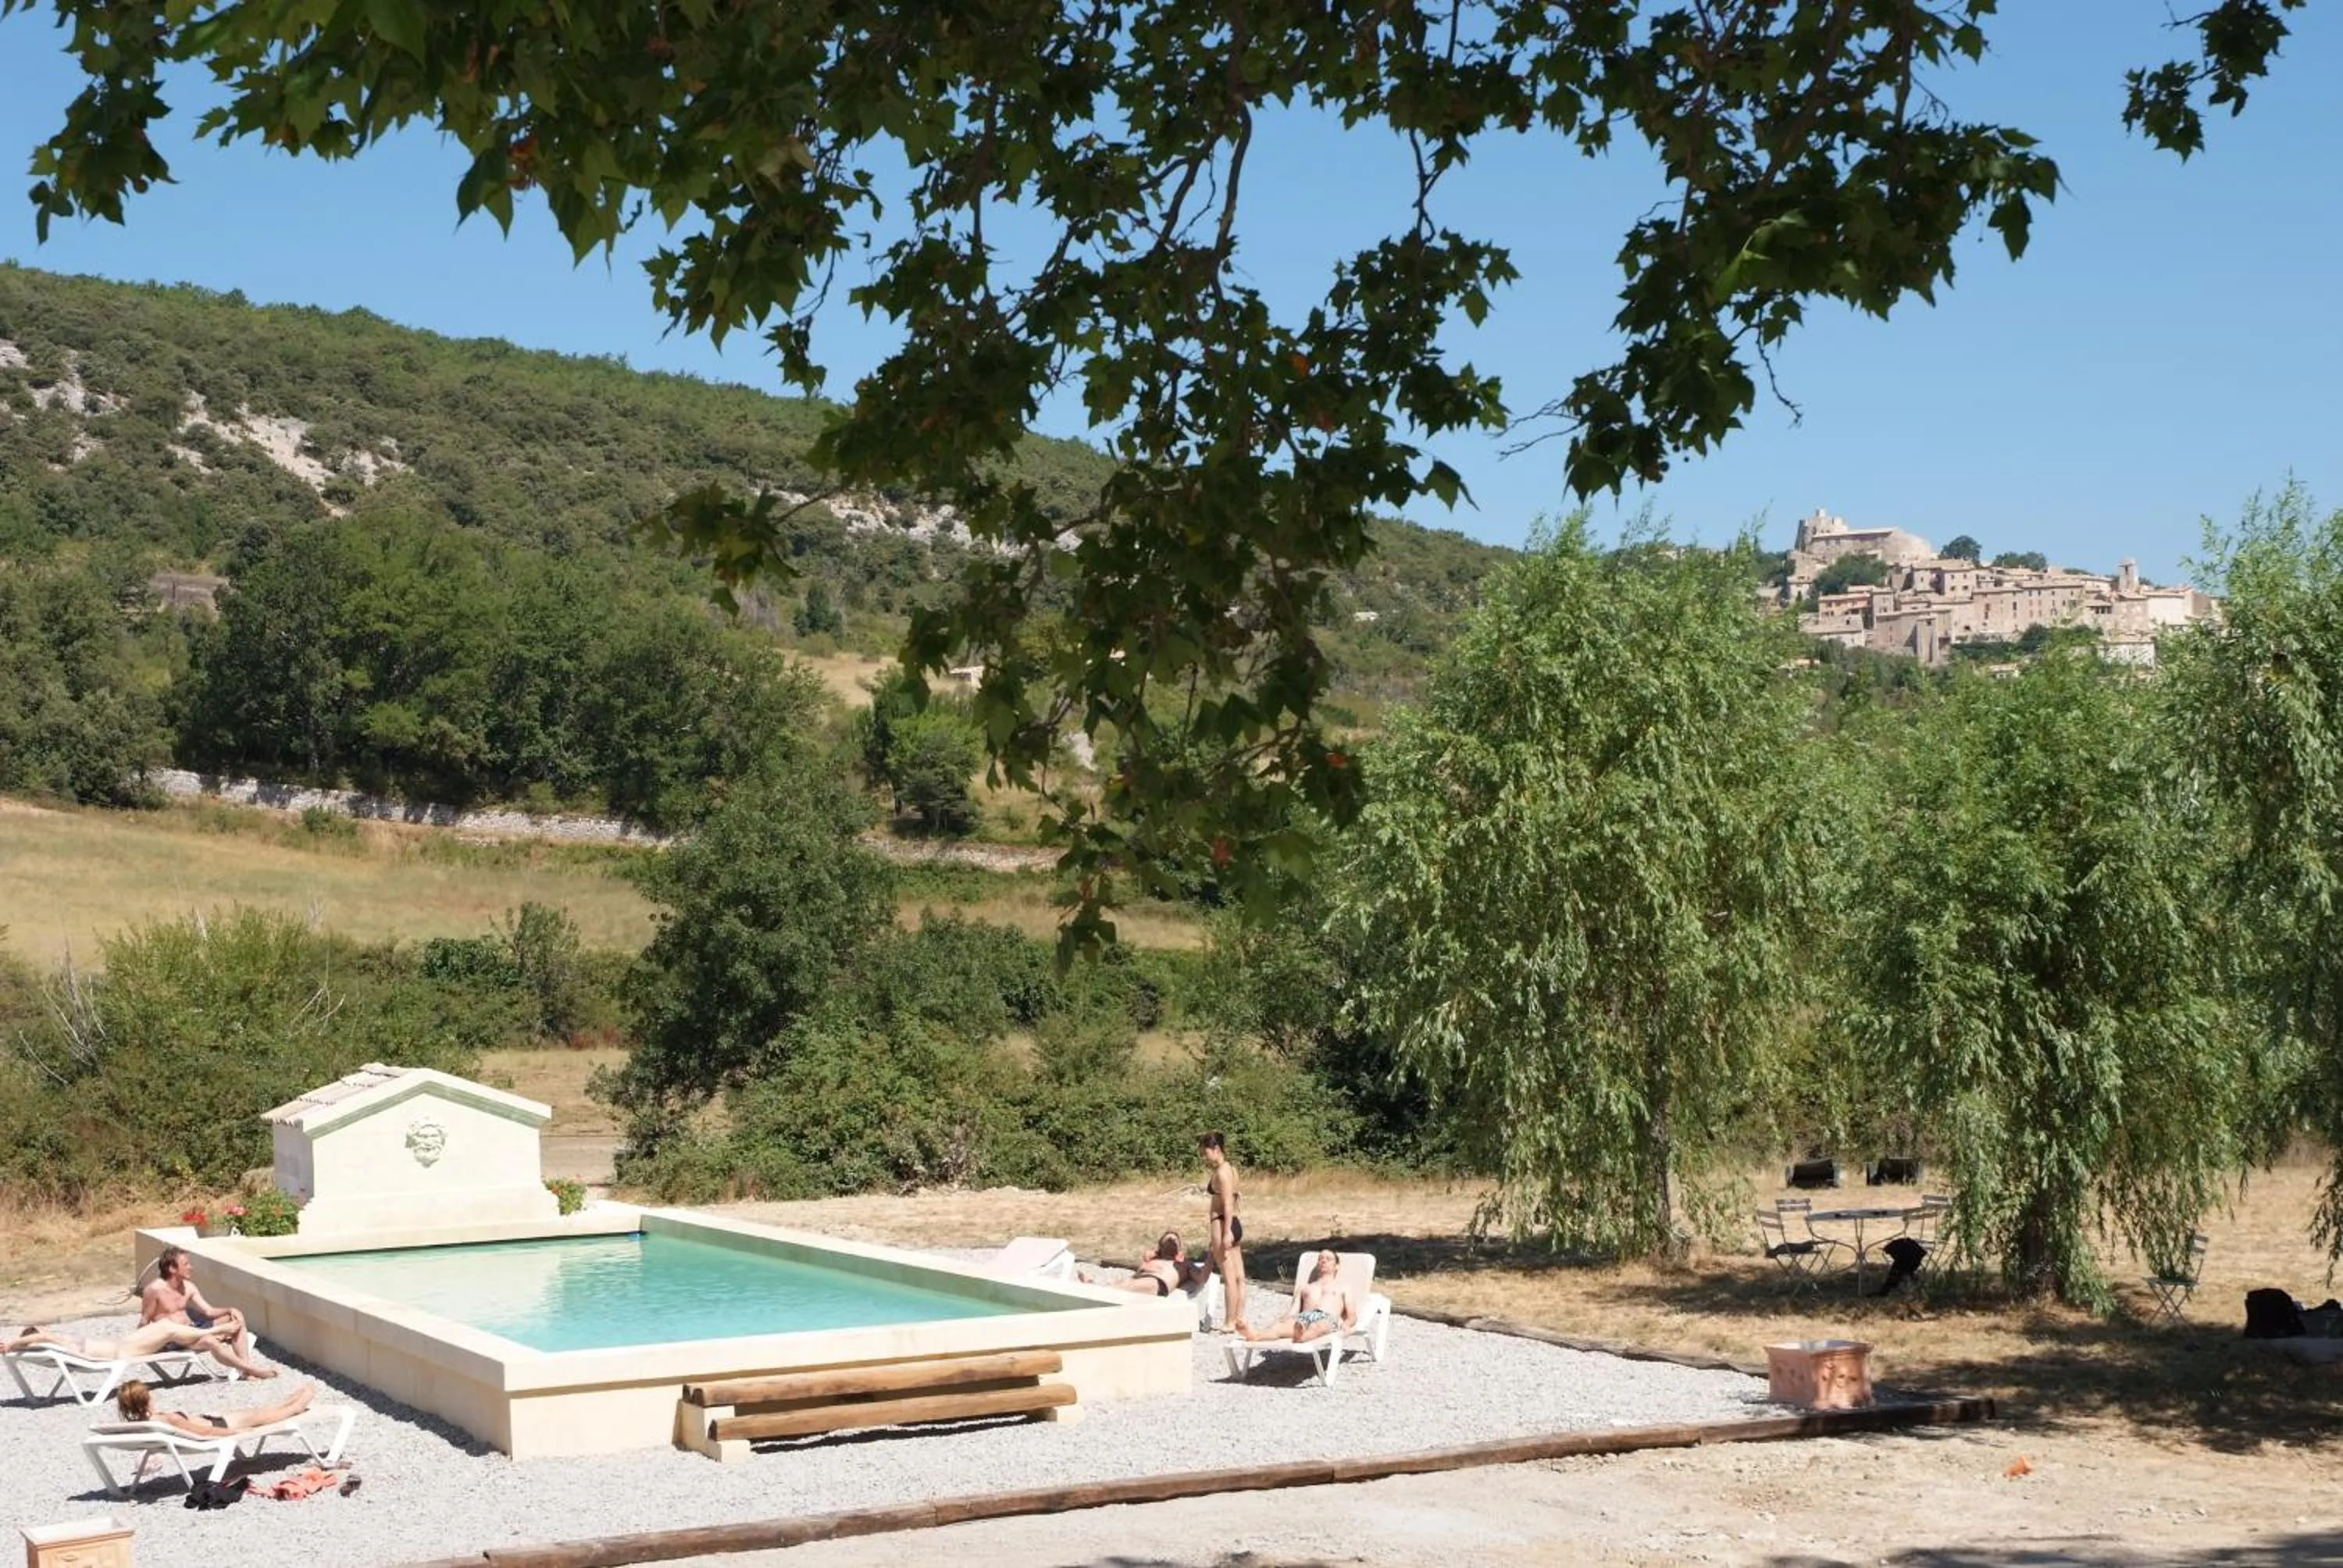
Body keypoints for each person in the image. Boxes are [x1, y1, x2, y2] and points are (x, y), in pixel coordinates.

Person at [7, 1318, 276, 1378]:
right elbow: (34, 1340)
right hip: (122, 1352)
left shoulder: (60, 1340)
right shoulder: (51, 1340)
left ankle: (249, 1369)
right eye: (40, 1330)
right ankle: (214, 1329)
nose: (44, 1329)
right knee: (169, 1328)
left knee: (172, 1328)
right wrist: (11, 1343)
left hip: (125, 1344)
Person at [141, 1246, 258, 1364]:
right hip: (172, 1339)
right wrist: (141, 1345)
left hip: (193, 1330)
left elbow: (209, 1311)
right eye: (186, 1264)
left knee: (234, 1319)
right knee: (210, 1340)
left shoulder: (189, 1287)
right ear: (172, 1268)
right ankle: (247, 1368)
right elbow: (145, 1320)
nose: (191, 1268)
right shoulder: (155, 1289)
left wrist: (231, 1310)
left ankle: (246, 1367)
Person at [114, 1376, 319, 1434]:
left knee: (262, 1411)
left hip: (214, 1419)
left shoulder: (144, 1423)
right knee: (262, 1415)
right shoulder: (169, 1419)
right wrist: (238, 1434)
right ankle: (296, 1406)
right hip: (220, 1426)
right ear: (145, 1398)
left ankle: (291, 1400)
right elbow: (203, 1433)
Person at [1239, 1248, 1355, 1344]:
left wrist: (1347, 1324)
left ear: (1337, 1266)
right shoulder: (1305, 1287)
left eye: (1328, 1259)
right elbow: (1293, 1312)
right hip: (1303, 1319)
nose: (1323, 1261)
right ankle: (1254, 1335)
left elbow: (1352, 1315)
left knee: (1318, 1326)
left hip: (1327, 1318)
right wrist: (1281, 1320)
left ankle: (1301, 1337)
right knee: (1279, 1328)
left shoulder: (1343, 1287)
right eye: (1320, 1259)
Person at [1200, 1130, 1246, 1331]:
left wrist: (1226, 1232)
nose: (1205, 1157)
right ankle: (1238, 1319)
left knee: (1229, 1277)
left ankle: (1229, 1321)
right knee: (1239, 1277)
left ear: (1216, 1149)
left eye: (1206, 1152)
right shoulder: (1232, 1170)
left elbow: (1227, 1203)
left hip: (1222, 1223)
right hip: (1234, 1222)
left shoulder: (1222, 1173)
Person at [1081, 1231, 1209, 1297]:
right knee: (1122, 1283)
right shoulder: (1153, 1259)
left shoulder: (1183, 1264)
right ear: (1160, 1246)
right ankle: (1095, 1289)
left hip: (1157, 1284)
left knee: (1125, 1286)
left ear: (1179, 1249)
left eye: (1175, 1240)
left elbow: (1202, 1277)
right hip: (1138, 1280)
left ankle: (1093, 1290)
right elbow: (1137, 1274)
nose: (1172, 1240)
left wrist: (1212, 1257)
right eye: (1168, 1239)